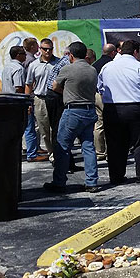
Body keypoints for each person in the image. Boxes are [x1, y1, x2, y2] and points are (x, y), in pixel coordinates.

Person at [98, 40, 140, 185]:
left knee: (114, 144)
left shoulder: (107, 67)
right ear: (136, 52)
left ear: (120, 51)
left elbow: (100, 89)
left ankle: (116, 176)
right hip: (137, 108)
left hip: (113, 108)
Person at [44, 41, 99, 193]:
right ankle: (92, 181)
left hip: (73, 110)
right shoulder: (92, 70)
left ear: (71, 55)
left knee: (62, 147)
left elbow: (54, 86)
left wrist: (67, 93)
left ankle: (59, 182)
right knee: (88, 147)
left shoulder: (68, 69)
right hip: (89, 110)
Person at [1, 46, 48, 162]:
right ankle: (32, 154)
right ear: (17, 55)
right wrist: (26, 103)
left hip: (8, 101)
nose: (25, 56)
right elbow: (19, 88)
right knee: (29, 128)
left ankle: (19, 151)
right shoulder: (19, 69)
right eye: (23, 54)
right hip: (18, 102)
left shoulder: (7, 67)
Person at [25, 38, 57, 154]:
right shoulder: (34, 65)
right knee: (44, 130)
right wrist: (27, 103)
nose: (47, 51)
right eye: (45, 49)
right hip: (40, 99)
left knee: (57, 128)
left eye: (50, 49)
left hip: (55, 99)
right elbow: (28, 84)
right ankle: (51, 153)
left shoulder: (58, 63)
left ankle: (58, 153)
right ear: (40, 49)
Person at [91, 44, 117, 160]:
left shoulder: (95, 64)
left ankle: (99, 152)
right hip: (105, 95)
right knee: (111, 123)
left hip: (95, 95)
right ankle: (110, 151)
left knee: (99, 124)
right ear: (112, 53)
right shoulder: (111, 64)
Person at [21, 37, 45, 161]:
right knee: (31, 125)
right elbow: (30, 81)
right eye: (36, 45)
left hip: (28, 95)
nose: (38, 48)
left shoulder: (26, 59)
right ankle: (32, 152)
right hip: (30, 96)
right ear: (32, 47)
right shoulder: (31, 61)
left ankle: (35, 147)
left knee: (33, 124)